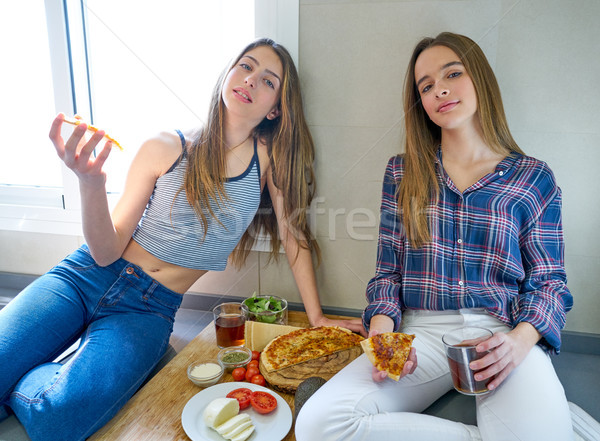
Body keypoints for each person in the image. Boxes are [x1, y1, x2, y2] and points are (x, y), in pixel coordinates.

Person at [0, 38, 364, 441]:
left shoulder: (269, 159)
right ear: (228, 75)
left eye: (268, 80)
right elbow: (105, 252)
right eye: (245, 66)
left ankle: (31, 376)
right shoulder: (165, 146)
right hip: (83, 277)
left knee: (57, 422)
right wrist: (90, 182)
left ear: (275, 108)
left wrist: (317, 317)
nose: (250, 80)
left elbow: (294, 237)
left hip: (148, 312)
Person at [295, 32, 574, 441]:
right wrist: (384, 335)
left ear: (479, 79)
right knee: (317, 425)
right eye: (426, 86)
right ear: (421, 104)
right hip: (420, 331)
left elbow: (550, 283)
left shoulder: (533, 177)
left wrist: (519, 342)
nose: (439, 89)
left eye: (453, 74)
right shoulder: (401, 172)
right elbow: (387, 274)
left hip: (502, 332)